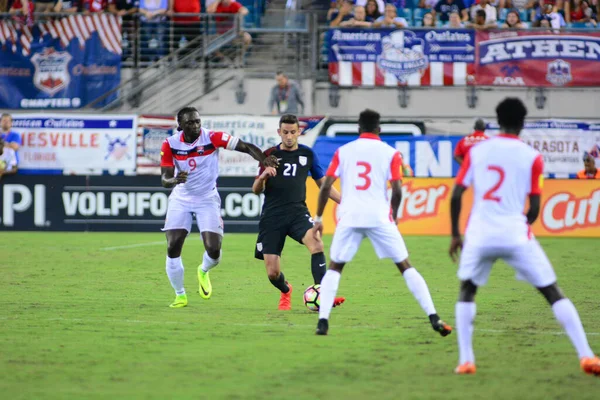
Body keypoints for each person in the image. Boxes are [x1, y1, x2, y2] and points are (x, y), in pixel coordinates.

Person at [449, 97, 600, 375]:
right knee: (551, 291)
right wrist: (522, 227)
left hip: (479, 233)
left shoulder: (478, 152)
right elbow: (534, 208)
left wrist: (455, 235)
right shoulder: (532, 157)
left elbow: (457, 193)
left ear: (497, 119)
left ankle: (466, 360)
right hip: (514, 232)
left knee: (467, 290)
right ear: (522, 123)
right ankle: (587, 356)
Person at [311, 109, 453, 337]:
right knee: (405, 266)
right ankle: (434, 316)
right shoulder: (391, 153)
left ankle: (323, 322)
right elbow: (397, 190)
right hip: (379, 216)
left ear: (358, 128)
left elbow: (326, 186)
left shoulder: (343, 151)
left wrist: (318, 218)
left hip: (350, 216)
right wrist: (394, 215)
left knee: (335, 267)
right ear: (380, 129)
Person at [160, 106, 279, 308]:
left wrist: (263, 160)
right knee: (173, 245)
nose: (196, 125)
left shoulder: (212, 137)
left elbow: (245, 146)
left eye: (198, 121)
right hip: (181, 198)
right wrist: (173, 180)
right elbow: (164, 178)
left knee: (214, 250)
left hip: (207, 198)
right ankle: (180, 295)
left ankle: (203, 270)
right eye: (190, 122)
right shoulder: (170, 144)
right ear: (180, 125)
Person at [252, 114, 345, 310]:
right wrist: (263, 176)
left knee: (316, 241)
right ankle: (286, 290)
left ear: (299, 132)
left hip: (297, 212)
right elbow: (255, 189)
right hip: (272, 217)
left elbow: (323, 184)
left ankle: (324, 294)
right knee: (272, 273)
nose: (289, 136)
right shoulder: (269, 155)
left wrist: (345, 202)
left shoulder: (308, 155)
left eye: (293, 132)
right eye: (285, 132)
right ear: (279, 132)